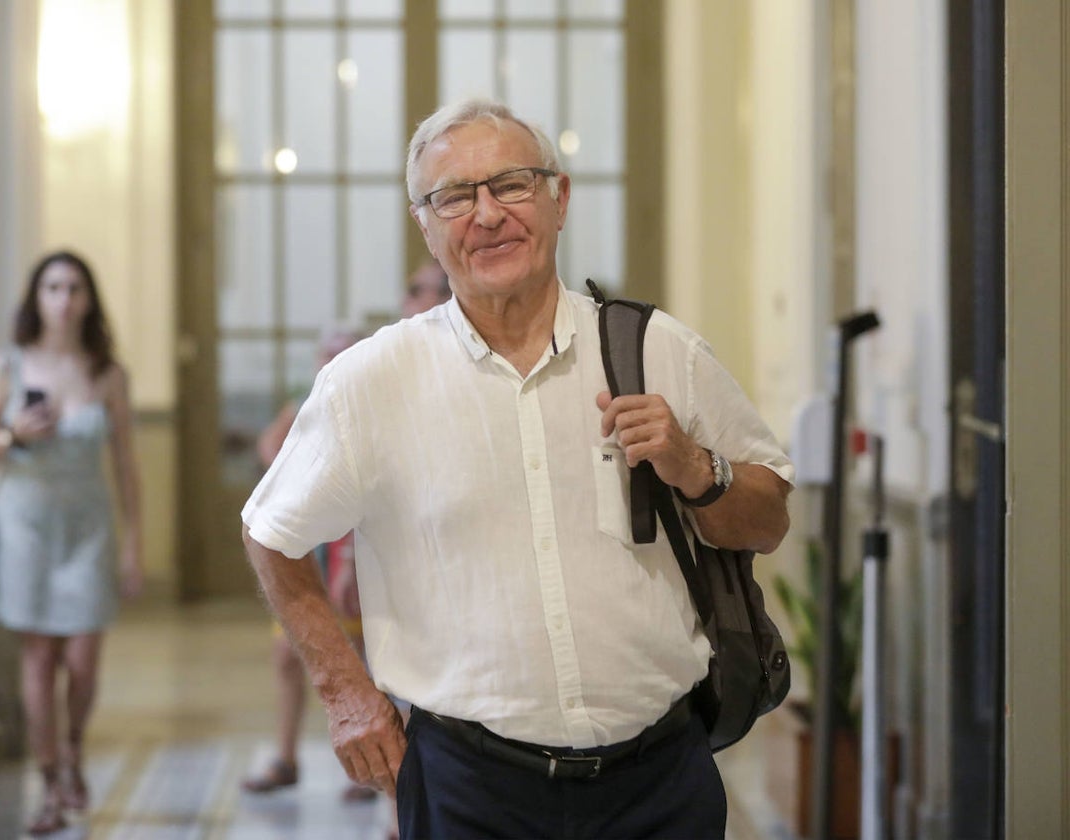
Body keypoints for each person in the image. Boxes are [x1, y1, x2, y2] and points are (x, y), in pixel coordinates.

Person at [240, 98, 793, 839]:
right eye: (455, 197)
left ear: (558, 199)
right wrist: (345, 690)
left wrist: (694, 466)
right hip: (469, 792)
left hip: (659, 784)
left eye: (512, 185)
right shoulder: (371, 381)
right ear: (425, 225)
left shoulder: (658, 349)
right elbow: (270, 533)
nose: (488, 214)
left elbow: (768, 521)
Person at [0, 250, 143, 836]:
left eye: (74, 287)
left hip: (88, 527)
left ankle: (72, 749)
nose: (63, 299)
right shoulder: (8, 364)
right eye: (52, 287)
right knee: (40, 658)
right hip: (24, 526)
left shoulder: (107, 372)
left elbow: (125, 465)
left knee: (83, 659)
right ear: (36, 297)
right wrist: (10, 434)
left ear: (88, 298)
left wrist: (133, 544)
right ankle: (49, 782)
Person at [242, 323, 373, 801]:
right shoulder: (306, 405)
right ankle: (286, 754)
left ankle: (369, 765)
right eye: (328, 353)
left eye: (346, 352)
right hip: (311, 546)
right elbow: (268, 448)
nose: (335, 360)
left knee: (361, 659)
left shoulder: (367, 408)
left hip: (352, 546)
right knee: (288, 651)